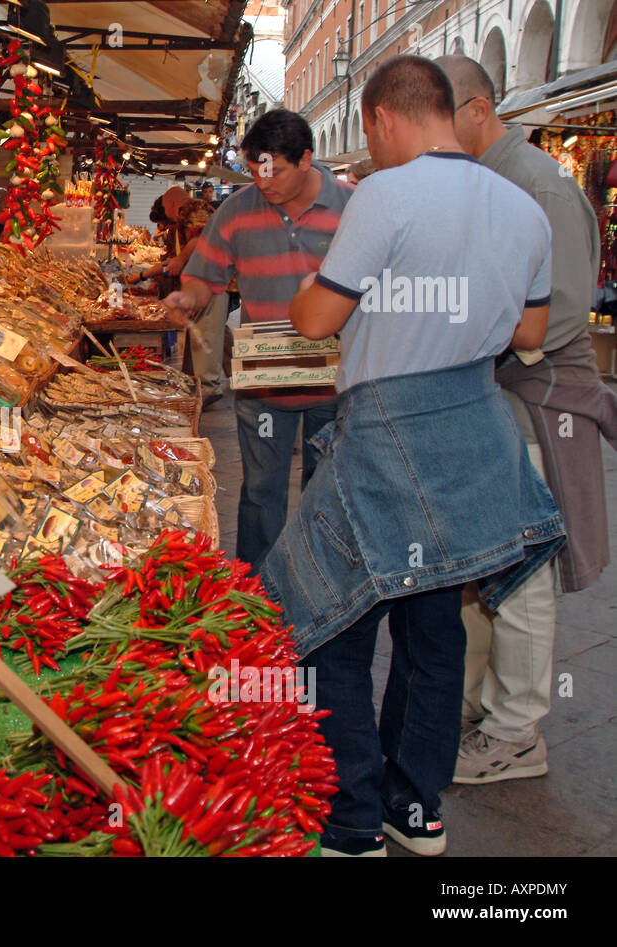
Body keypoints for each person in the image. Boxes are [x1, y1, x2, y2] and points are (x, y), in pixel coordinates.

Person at [263, 55, 565, 857]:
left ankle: (350, 815)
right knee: (435, 625)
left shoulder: (384, 195)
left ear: (380, 120)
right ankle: (417, 805)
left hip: (389, 435)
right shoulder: (523, 206)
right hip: (472, 427)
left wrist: (304, 296)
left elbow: (319, 320)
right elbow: (529, 335)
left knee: (331, 619)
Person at [437, 54, 617, 784]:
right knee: (489, 565)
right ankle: (486, 708)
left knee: (523, 567)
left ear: (478, 109)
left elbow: (566, 307)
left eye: (436, 117)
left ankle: (517, 732)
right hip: (496, 397)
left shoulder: (539, 182)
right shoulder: (488, 179)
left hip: (536, 401)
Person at [165, 109, 351, 568]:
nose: (263, 182)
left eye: (275, 171)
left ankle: (318, 587)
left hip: (338, 374)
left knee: (327, 490)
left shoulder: (353, 207)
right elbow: (204, 275)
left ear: (306, 159)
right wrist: (188, 298)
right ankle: (258, 593)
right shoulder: (237, 210)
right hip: (265, 371)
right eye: (254, 171)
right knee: (261, 491)